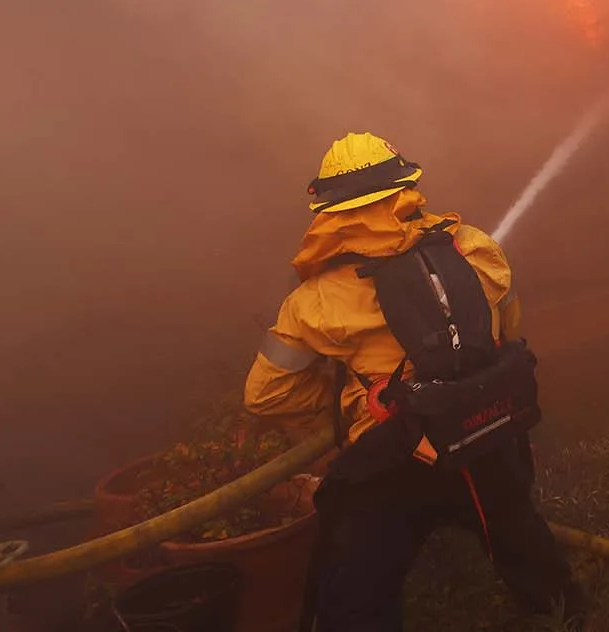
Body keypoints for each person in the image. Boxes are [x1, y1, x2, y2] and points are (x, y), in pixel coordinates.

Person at [244, 133, 584, 631]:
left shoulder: (317, 301)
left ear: (329, 211)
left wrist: (345, 412)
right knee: (517, 529)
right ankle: (563, 611)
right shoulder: (475, 250)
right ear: (406, 187)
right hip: (483, 431)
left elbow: (266, 395)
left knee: (357, 589)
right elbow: (507, 332)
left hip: (392, 456)